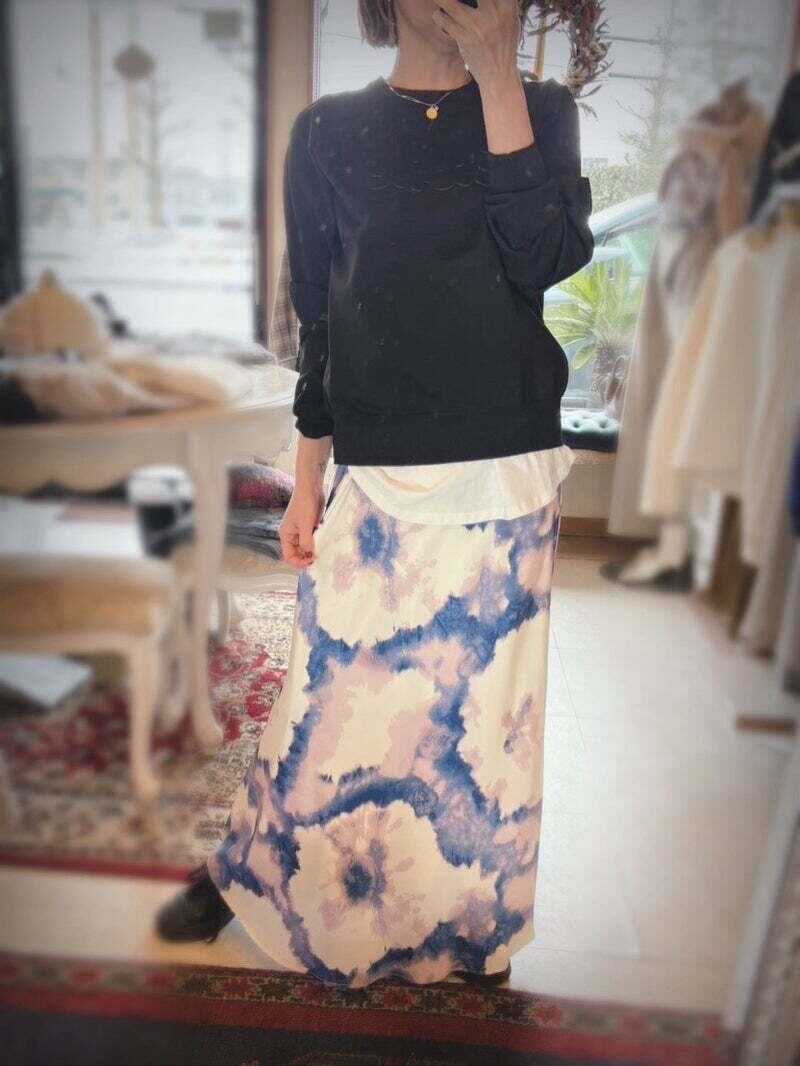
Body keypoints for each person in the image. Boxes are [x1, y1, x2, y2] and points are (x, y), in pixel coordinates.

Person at [155, 0, 593, 990]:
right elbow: (320, 315)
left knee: (474, 724)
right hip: (374, 466)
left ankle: (465, 922)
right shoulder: (327, 132)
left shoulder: (539, 110)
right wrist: (306, 482)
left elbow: (543, 259)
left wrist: (495, 72)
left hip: (500, 469)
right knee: (324, 699)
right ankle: (252, 873)